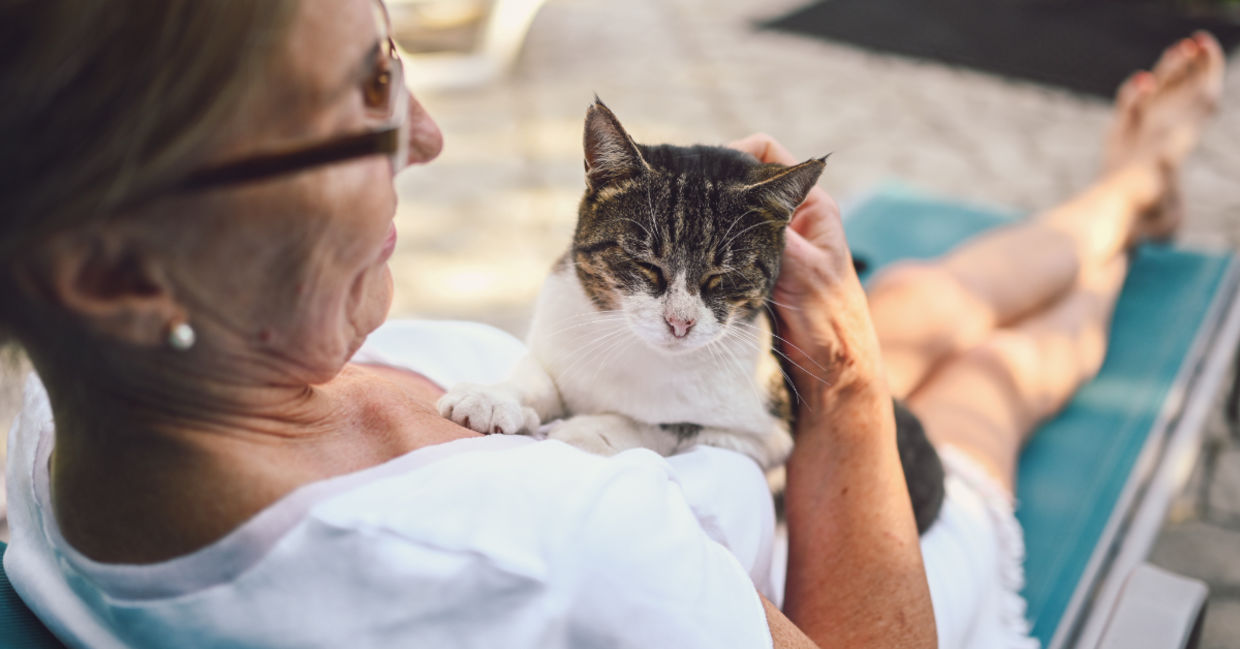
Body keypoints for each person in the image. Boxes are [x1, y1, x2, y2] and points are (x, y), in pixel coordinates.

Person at [0, 0, 1223, 646]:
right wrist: (847, 383)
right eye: (365, 93)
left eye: (394, 57)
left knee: (914, 301)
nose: (426, 136)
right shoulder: (551, 558)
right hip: (873, 548)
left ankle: (1120, 191)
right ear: (117, 277)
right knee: (988, 379)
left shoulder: (63, 408)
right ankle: (1125, 235)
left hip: (712, 413)